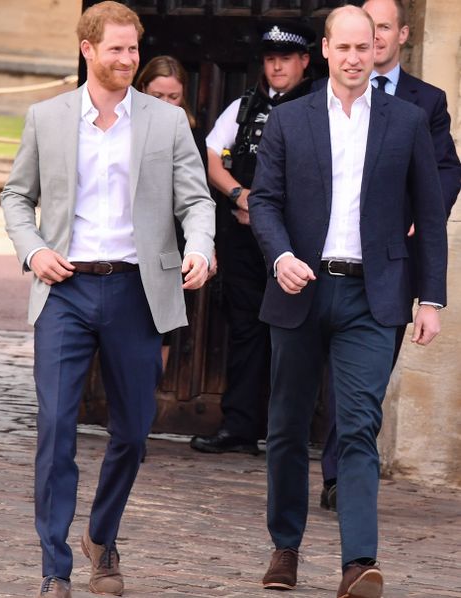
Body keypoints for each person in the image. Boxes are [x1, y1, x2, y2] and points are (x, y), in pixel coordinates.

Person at [1, 3, 215, 597]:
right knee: (56, 427)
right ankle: (55, 570)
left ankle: (103, 533)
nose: (127, 59)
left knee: (134, 431)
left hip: (136, 290)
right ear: (87, 48)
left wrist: (200, 246)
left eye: (133, 49)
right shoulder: (46, 117)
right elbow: (17, 197)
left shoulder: (165, 123)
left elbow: (196, 201)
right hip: (64, 289)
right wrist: (33, 250)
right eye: (116, 49)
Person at [248, 5, 447, 596]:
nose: (357, 58)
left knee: (359, 425)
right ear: (326, 51)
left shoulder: (407, 121)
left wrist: (431, 299)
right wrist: (281, 257)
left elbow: (430, 217)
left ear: (383, 50)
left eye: (367, 47)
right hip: (300, 290)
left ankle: (359, 562)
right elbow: (265, 201)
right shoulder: (291, 118)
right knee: (285, 426)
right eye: (346, 48)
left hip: (373, 295)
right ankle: (285, 547)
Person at [319, 0, 461, 514]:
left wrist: (418, 215)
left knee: (364, 377)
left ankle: (349, 466)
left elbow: (445, 170)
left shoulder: (427, 101)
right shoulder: (323, 97)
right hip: (327, 264)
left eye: (380, 29)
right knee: (332, 377)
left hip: (390, 262)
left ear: (402, 34)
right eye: (359, 33)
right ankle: (337, 474)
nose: (370, 40)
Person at [190, 20, 315, 456]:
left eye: (285, 58)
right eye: (269, 58)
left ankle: (286, 435)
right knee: (245, 331)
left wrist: (269, 213)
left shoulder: (320, 105)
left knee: (293, 336)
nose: (276, 66)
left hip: (295, 242)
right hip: (244, 241)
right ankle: (240, 427)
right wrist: (240, 195)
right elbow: (209, 154)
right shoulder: (246, 105)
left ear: (304, 61)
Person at [136, 54, 215, 371]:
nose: (166, 104)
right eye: (157, 96)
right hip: (129, 241)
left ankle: (148, 399)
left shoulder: (193, 136)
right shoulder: (120, 129)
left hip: (175, 244)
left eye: (174, 97)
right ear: (141, 89)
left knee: (161, 328)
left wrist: (206, 247)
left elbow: (200, 196)